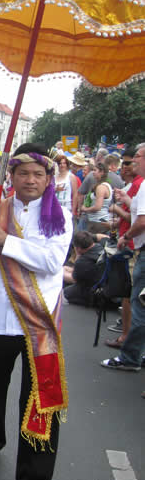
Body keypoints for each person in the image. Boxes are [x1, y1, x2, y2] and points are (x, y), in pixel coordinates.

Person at [0, 143, 72, 480]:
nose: (30, 180)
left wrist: (6, 241)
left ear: (48, 178)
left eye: (38, 174)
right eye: (23, 173)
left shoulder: (59, 216)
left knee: (40, 397)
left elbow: (52, 262)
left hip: (39, 322)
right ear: (12, 175)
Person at [102, 142, 145, 372]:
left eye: (134, 159)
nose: (129, 163)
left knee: (136, 302)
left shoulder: (143, 185)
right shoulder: (140, 185)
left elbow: (140, 220)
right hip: (137, 246)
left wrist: (125, 232)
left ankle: (130, 356)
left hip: (138, 247)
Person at [62, 231, 104, 306]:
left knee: (63, 293)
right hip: (102, 285)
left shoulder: (83, 261)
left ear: (77, 248)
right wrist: (67, 269)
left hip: (92, 293)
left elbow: (74, 279)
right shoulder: (100, 247)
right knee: (65, 268)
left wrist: (60, 273)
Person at [81, 162, 113, 234]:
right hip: (98, 220)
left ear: (101, 172)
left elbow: (98, 207)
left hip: (97, 222)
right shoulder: (106, 185)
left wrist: (86, 209)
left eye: (95, 170)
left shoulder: (101, 187)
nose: (93, 173)